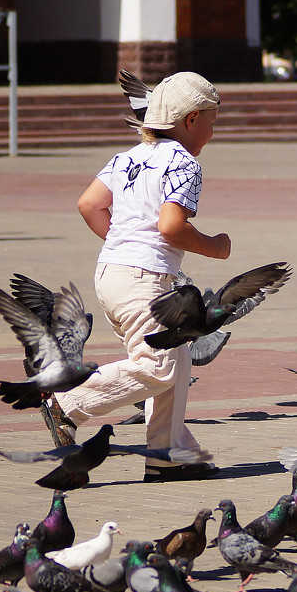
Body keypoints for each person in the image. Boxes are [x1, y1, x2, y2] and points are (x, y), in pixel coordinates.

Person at [44, 72, 229, 482]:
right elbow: (171, 227)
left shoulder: (127, 156)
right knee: (158, 367)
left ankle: (169, 455)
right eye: (213, 121)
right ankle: (67, 403)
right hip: (146, 279)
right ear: (192, 118)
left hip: (111, 273)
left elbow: (89, 205)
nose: (214, 131)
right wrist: (216, 246)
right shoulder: (184, 163)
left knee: (176, 363)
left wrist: (123, 243)